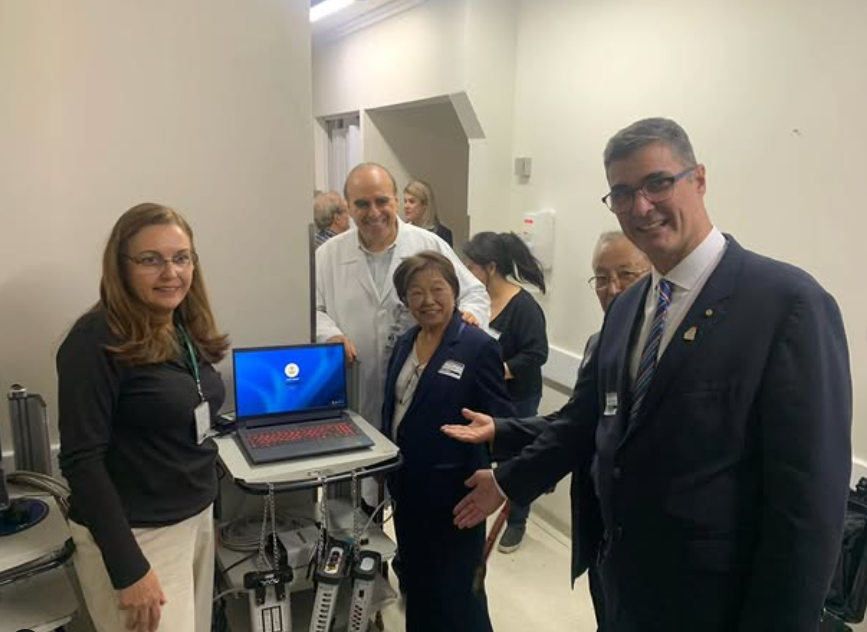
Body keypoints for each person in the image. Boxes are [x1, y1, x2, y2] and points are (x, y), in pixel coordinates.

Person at [450, 117, 852, 631]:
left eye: (658, 183)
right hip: (623, 586)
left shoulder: (787, 305)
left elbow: (808, 504)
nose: (640, 207)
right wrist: (509, 481)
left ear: (698, 179)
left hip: (716, 604)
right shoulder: (627, 307)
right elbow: (585, 421)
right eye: (622, 193)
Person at [446, 230, 649, 628]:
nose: (613, 289)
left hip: (651, 534)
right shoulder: (600, 343)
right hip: (603, 527)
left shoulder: (671, 346)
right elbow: (576, 422)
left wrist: (505, 480)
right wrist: (501, 430)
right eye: (601, 278)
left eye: (627, 275)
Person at [58, 203, 229, 632]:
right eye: (151, 260)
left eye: (181, 258)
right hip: (139, 537)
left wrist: (210, 514)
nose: (171, 272)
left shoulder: (181, 325)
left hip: (192, 520)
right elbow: (81, 461)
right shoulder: (93, 342)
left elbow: (195, 434)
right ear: (121, 266)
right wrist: (128, 569)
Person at [383, 251, 515, 632]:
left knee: (458, 595)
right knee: (417, 583)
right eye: (416, 292)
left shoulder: (477, 346)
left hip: (457, 497)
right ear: (405, 300)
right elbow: (395, 408)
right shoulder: (405, 342)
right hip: (407, 489)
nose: (428, 300)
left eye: (437, 289)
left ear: (454, 292)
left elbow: (504, 421)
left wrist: (504, 481)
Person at [316, 162, 489, 433]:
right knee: (361, 448)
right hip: (353, 383)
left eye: (382, 201)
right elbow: (311, 310)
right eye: (362, 204)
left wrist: (470, 318)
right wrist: (329, 335)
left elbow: (474, 292)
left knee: (413, 443)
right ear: (348, 207)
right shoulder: (328, 254)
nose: (374, 212)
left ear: (395, 201)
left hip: (420, 386)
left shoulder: (428, 244)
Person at [462, 231, 548, 553]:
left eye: (472, 266)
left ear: (491, 267)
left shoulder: (524, 306)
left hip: (519, 397)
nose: (467, 272)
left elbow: (536, 354)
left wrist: (498, 370)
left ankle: (516, 521)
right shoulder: (478, 302)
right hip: (488, 395)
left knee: (518, 460)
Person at [404, 178, 454, 247]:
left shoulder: (442, 234)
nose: (406, 206)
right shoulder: (402, 231)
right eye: (405, 201)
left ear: (425, 204)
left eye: (411, 202)